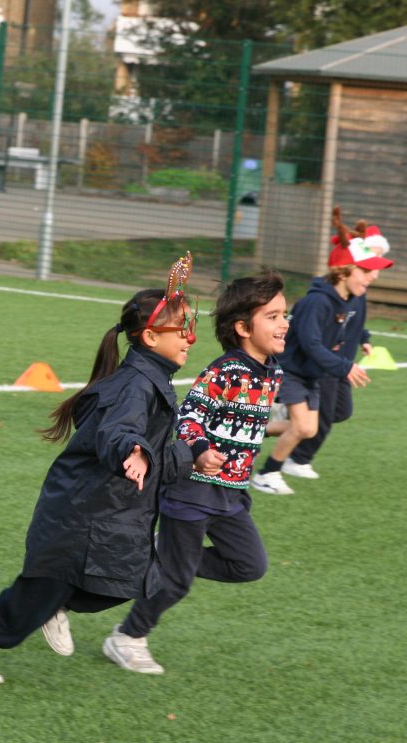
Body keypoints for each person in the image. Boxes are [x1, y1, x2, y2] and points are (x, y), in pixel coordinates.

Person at [0, 254, 224, 683]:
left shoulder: (152, 377)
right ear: (150, 336)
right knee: (40, 591)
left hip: (110, 512)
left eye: (192, 327)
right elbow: (118, 432)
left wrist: (176, 453)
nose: (190, 338)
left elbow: (139, 443)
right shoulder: (136, 385)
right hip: (81, 513)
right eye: (181, 329)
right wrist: (137, 451)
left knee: (129, 579)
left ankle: (54, 606)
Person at [103, 271, 287, 674]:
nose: (283, 323)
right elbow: (188, 417)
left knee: (250, 565)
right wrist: (201, 451)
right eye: (272, 316)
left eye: (284, 314)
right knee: (176, 581)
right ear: (242, 328)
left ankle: (160, 555)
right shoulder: (224, 371)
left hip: (231, 494)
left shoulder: (272, 371)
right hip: (192, 490)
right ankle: (128, 636)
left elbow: (250, 416)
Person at [251, 208, 393, 495]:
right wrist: (345, 367)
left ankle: (244, 429)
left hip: (310, 375)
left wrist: (354, 348)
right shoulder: (318, 302)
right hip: (290, 370)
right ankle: (267, 474)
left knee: (308, 429)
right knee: (302, 427)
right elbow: (311, 344)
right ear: (343, 271)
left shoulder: (347, 299)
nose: (373, 276)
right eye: (365, 270)